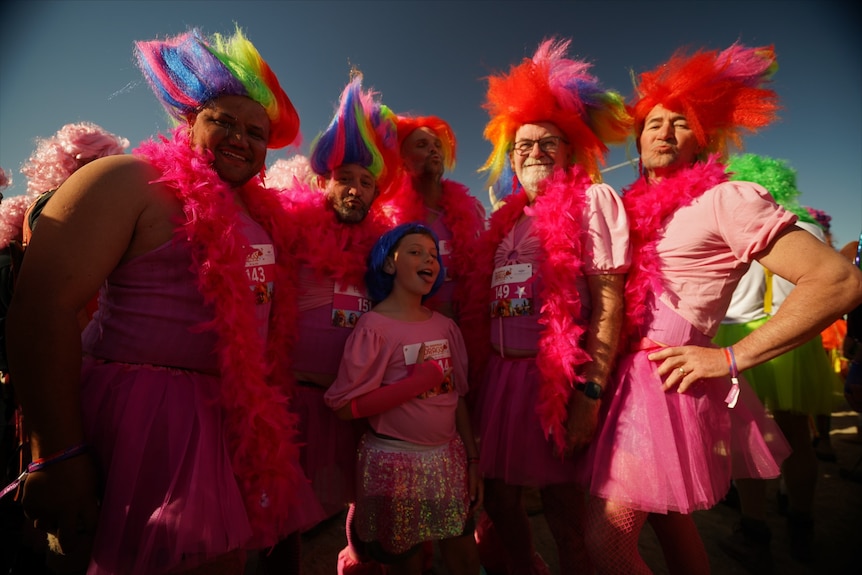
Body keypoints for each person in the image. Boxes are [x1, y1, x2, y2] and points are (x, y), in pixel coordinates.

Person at [6, 27, 322, 574]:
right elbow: (41, 309)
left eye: (256, 131)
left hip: (227, 422)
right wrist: (55, 452)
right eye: (223, 120)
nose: (241, 139)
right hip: (143, 421)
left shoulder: (262, 218)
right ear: (188, 118)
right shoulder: (129, 178)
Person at [580, 43, 862, 574]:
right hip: (621, 380)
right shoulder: (626, 206)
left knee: (606, 540)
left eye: (681, 123)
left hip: (663, 384)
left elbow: (838, 280)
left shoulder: (727, 199)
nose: (664, 132)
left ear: (703, 138)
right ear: (637, 139)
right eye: (654, 123)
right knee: (669, 521)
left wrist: (729, 359)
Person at [460, 38, 631, 574]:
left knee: (563, 510)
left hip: (557, 380)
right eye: (523, 146)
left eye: (546, 143)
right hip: (502, 385)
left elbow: (608, 302)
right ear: (511, 158)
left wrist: (589, 393)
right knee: (502, 501)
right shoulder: (506, 219)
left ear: (570, 151)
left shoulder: (592, 201)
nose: (533, 153)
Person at [325, 222, 482, 575]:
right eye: (415, 252)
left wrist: (472, 460)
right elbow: (343, 407)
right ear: (390, 264)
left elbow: (457, 398)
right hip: (392, 468)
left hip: (448, 463)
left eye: (433, 255)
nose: (429, 260)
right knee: (403, 565)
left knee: (465, 558)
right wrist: (413, 385)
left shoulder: (445, 327)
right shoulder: (374, 327)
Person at [278, 73, 398, 525]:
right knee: (281, 521)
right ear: (325, 183)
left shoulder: (385, 248)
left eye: (365, 183)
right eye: (345, 178)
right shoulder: (291, 228)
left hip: (354, 403)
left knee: (359, 503)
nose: (355, 189)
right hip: (295, 398)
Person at [712, 154, 843, 568]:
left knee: (746, 439)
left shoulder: (731, 220)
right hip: (794, 339)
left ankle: (755, 530)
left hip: (739, 336)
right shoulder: (810, 227)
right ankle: (801, 523)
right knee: (798, 437)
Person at [385, 114, 486, 320]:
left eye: (437, 145)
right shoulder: (390, 218)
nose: (433, 149)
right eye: (422, 144)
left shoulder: (471, 209)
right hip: (414, 329)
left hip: (467, 328)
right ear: (402, 161)